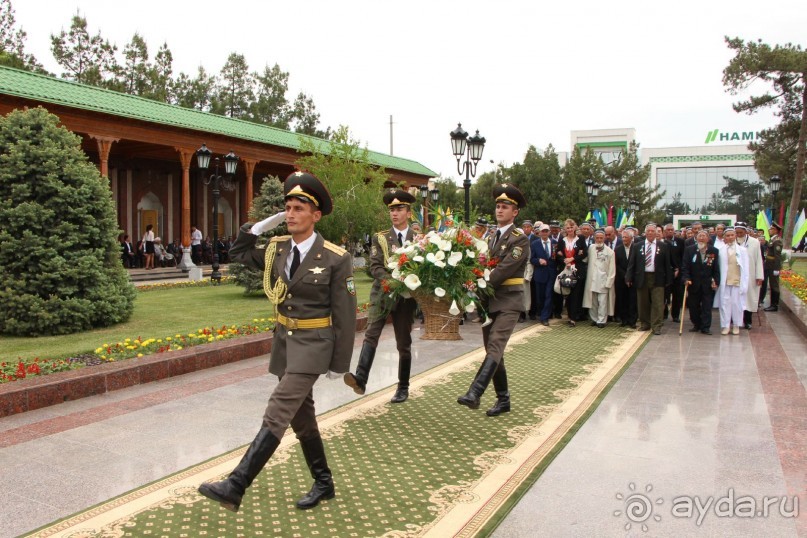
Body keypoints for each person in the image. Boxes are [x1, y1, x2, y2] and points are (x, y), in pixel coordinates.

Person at [198, 171, 356, 512]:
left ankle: (236, 485)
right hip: (285, 343)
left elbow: (345, 314)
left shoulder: (335, 257)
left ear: (315, 215)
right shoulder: (277, 248)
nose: (291, 214)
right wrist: (255, 228)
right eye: (287, 208)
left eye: (299, 208)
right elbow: (239, 254)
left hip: (314, 345)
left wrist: (339, 364)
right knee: (301, 416)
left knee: (279, 409)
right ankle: (324, 482)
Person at [458, 183, 529, 417]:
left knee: (496, 345)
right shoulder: (490, 237)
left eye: (505, 207)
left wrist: (479, 286)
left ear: (515, 212)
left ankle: (475, 392)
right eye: (498, 206)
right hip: (489, 301)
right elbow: (481, 266)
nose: (499, 210)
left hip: (509, 301)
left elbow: (504, 270)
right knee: (493, 349)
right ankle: (503, 399)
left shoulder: (520, 239)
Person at [344, 189, 417, 404]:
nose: (394, 213)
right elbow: (375, 266)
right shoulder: (381, 237)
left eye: (399, 209)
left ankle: (403, 387)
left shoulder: (418, 238)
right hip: (382, 294)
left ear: (408, 212)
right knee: (371, 334)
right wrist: (393, 282)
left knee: (403, 342)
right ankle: (361, 378)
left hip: (406, 298)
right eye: (392, 209)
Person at [627, 223, 673, 335]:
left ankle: (656, 326)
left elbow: (667, 264)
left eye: (653, 231)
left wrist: (669, 279)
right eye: (649, 231)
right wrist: (628, 277)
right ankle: (645, 323)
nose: (651, 233)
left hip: (658, 277)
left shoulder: (663, 246)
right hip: (642, 277)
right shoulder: (637, 246)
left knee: (658, 303)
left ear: (656, 233)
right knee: (643, 302)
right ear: (645, 233)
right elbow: (632, 263)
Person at [681, 230, 720, 335]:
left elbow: (716, 268)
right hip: (693, 283)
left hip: (707, 284)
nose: (702, 238)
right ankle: (696, 324)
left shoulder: (713, 251)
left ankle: (705, 327)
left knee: (707, 307)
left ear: (708, 238)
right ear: (696, 238)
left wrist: (716, 281)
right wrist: (686, 278)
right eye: (700, 236)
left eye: (704, 236)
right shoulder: (690, 250)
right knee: (693, 306)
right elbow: (685, 266)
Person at [716, 227, 749, 335]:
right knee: (725, 304)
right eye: (728, 235)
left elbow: (746, 268)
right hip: (725, 281)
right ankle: (725, 326)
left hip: (737, 281)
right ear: (724, 237)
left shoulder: (742, 250)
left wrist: (745, 283)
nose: (730, 237)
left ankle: (736, 325)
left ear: (735, 236)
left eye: (732, 235)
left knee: (736, 304)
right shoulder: (721, 250)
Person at [555, 218, 587, 326]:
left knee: (575, 294)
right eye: (567, 227)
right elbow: (558, 253)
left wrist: (573, 258)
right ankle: (569, 316)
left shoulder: (580, 238)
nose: (569, 229)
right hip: (565, 270)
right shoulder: (562, 240)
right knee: (567, 293)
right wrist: (565, 260)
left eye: (571, 227)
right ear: (565, 229)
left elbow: (584, 253)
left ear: (575, 227)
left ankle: (573, 318)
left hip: (577, 270)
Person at [582, 229, 616, 328]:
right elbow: (585, 259)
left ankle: (601, 320)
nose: (599, 240)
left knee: (602, 302)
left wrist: (609, 282)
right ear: (594, 238)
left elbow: (612, 269)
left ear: (604, 238)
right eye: (597, 238)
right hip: (592, 279)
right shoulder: (591, 248)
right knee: (593, 301)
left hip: (603, 280)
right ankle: (594, 318)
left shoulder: (610, 252)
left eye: (601, 238)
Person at [734, 223, 764, 329]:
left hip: (750, 275)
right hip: (735, 274)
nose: (738, 234)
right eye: (737, 232)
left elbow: (759, 259)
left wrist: (759, 276)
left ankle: (747, 321)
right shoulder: (732, 241)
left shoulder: (754, 242)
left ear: (746, 231)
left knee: (748, 298)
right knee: (735, 298)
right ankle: (736, 320)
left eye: (741, 232)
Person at [530, 223, 556, 326]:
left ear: (549, 232)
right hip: (540, 274)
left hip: (551, 273)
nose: (544, 233)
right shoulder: (535, 244)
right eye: (543, 231)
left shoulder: (554, 243)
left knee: (549, 295)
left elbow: (556, 258)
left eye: (546, 231)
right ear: (539, 233)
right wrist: (538, 261)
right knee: (540, 296)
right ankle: (541, 312)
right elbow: (532, 259)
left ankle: (545, 317)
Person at [615, 228, 638, 328]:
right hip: (621, 279)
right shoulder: (618, 249)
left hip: (633, 279)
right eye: (623, 237)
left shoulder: (636, 248)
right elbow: (616, 264)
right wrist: (625, 276)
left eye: (626, 237)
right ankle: (624, 319)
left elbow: (637, 264)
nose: (624, 239)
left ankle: (632, 321)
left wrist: (630, 276)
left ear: (631, 238)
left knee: (633, 300)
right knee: (622, 299)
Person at [662, 223, 685, 323]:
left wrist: (679, 269)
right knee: (665, 295)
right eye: (668, 230)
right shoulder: (662, 242)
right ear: (664, 231)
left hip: (677, 273)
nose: (670, 231)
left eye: (672, 230)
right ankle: (664, 313)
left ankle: (675, 315)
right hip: (666, 273)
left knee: (677, 295)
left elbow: (683, 257)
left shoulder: (680, 242)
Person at [764, 222, 784, 312]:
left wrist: (776, 269)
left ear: (776, 230)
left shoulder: (777, 241)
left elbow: (777, 256)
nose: (769, 230)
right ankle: (772, 304)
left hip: (773, 266)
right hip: (769, 265)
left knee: (774, 285)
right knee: (771, 285)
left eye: (771, 229)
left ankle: (774, 305)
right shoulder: (772, 239)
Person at [519, 220, 534, 322]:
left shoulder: (526, 246)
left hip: (523, 272)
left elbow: (529, 261)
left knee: (524, 294)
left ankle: (522, 314)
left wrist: (529, 275)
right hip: (513, 273)